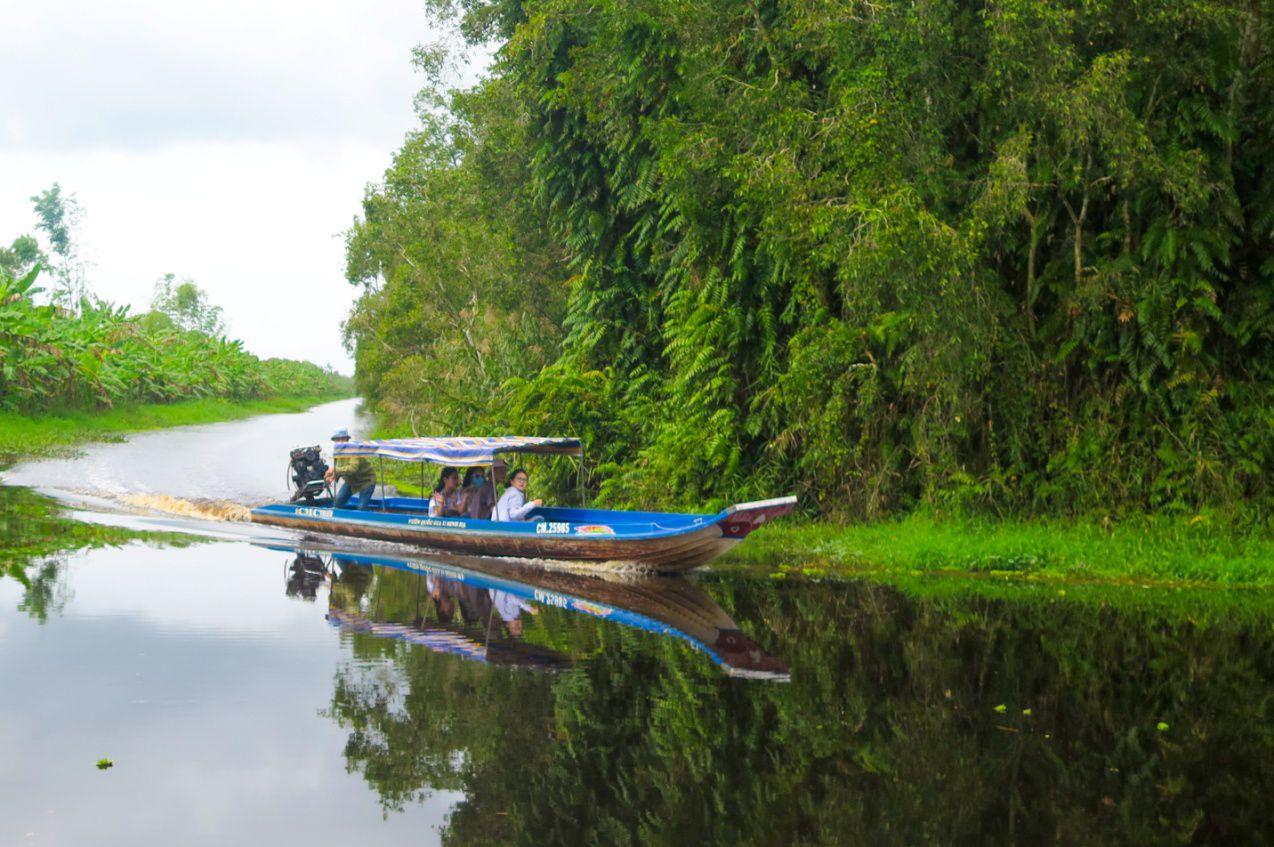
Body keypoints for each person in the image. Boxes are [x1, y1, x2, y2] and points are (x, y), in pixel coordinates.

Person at [324, 428, 376, 510]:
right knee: (338, 502)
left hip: (366, 481)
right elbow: (339, 468)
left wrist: (334, 469)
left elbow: (352, 469)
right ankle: (339, 520)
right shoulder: (337, 452)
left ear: (347, 440)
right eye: (337, 440)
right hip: (351, 482)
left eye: (342, 439)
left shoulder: (354, 450)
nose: (340, 442)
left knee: (361, 508)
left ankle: (371, 518)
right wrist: (332, 477)